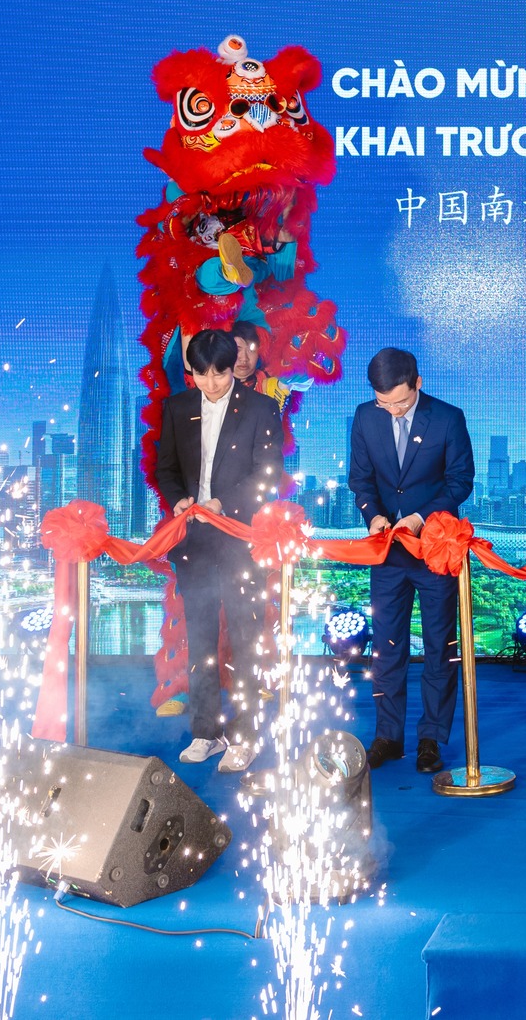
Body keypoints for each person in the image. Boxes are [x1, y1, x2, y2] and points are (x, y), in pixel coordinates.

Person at [151, 328, 287, 774]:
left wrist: (222, 504)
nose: (210, 384)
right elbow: (166, 469)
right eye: (201, 374)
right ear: (190, 371)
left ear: (234, 368)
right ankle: (205, 733)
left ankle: (244, 738)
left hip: (240, 539)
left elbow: (268, 473)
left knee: (246, 640)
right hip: (194, 542)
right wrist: (179, 500)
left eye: (220, 374)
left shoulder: (261, 408)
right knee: (201, 641)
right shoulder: (178, 407)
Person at [348, 348, 475, 774]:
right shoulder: (366, 417)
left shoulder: (447, 418)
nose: (393, 410)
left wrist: (422, 517)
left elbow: (460, 481)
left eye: (400, 402)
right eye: (384, 403)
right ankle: (388, 736)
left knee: (439, 646)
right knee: (387, 647)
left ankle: (430, 739)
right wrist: (373, 515)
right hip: (387, 552)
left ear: (418, 384)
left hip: (434, 550)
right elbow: (360, 480)